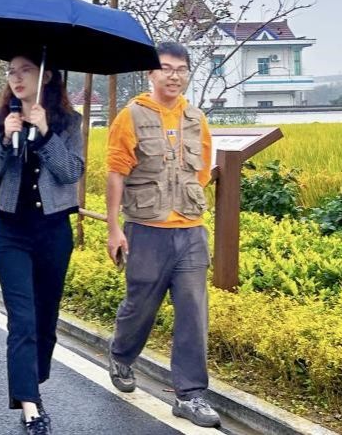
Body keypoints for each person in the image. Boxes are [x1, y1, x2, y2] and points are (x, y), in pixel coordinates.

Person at [105, 42, 220, 428]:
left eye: (181, 69)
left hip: (190, 230)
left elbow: (202, 172)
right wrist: (114, 228)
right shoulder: (131, 116)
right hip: (146, 230)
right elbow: (116, 174)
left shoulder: (196, 118)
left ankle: (190, 394)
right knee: (140, 306)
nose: (174, 76)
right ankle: (121, 354)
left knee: (193, 312)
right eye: (166, 68)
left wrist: (183, 202)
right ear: (151, 73)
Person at [0, 55, 84, 435]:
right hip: (10, 231)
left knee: (45, 320)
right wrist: (5, 140)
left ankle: (31, 383)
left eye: (25, 70)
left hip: (54, 231)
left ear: (46, 75)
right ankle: (30, 406)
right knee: (22, 320)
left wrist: (47, 133)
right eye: (11, 71)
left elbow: (71, 173)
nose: (16, 78)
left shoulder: (69, 122)